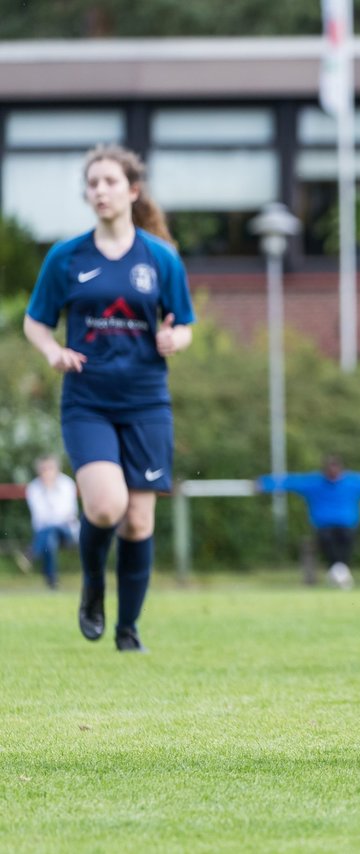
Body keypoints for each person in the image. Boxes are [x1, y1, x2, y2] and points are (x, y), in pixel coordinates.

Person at [23, 144, 195, 653]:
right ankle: (93, 583)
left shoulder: (160, 258)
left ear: (132, 190)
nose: (100, 190)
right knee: (105, 507)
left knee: (139, 519)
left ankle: (128, 629)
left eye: (110, 182)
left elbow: (183, 323)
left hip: (146, 400)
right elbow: (35, 321)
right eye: (93, 183)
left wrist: (174, 339)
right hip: (88, 400)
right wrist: (53, 350)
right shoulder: (66, 256)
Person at [257, 455, 360, 589]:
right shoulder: (315, 483)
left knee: (346, 537)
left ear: (341, 470)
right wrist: (264, 483)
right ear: (325, 471)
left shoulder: (352, 482)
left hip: (347, 526)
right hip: (324, 526)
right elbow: (290, 482)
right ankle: (341, 571)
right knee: (327, 537)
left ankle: (337, 570)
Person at [25, 455, 80, 590]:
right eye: (43, 469)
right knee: (49, 539)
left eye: (50, 468)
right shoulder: (33, 488)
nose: (47, 472)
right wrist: (47, 491)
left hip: (67, 532)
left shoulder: (67, 484)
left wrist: (49, 493)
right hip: (46, 532)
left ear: (57, 469)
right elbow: (40, 517)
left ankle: (32, 552)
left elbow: (68, 513)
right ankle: (52, 582)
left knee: (51, 530)